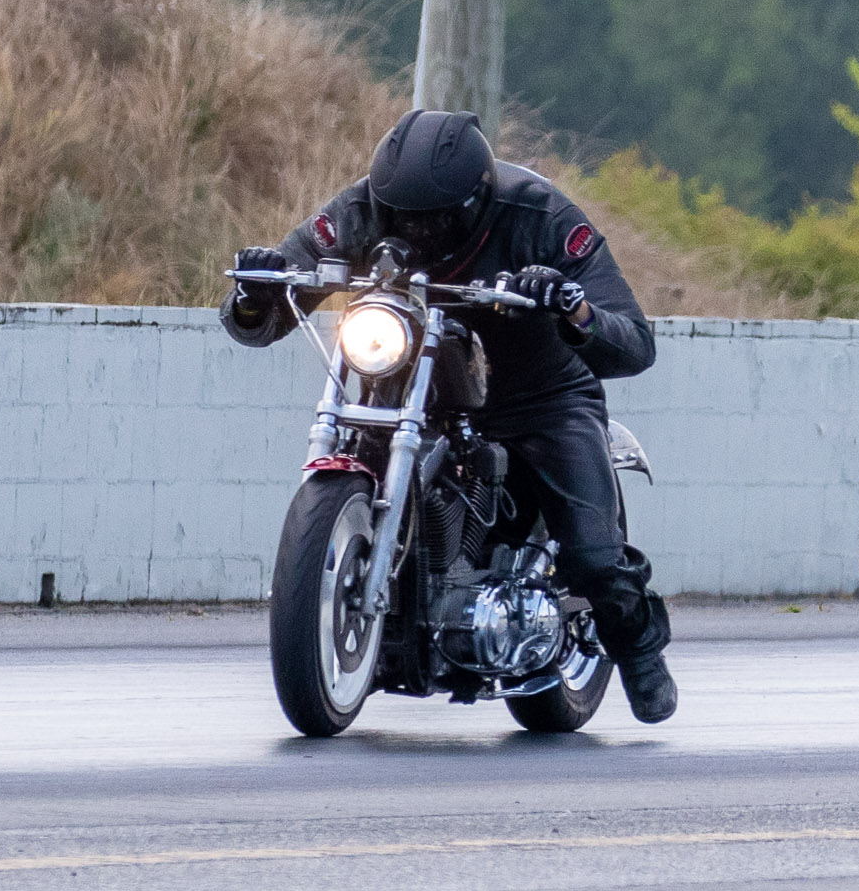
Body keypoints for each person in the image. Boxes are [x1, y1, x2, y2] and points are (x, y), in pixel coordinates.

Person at [220, 108, 677, 724]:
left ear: (477, 201)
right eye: (400, 214)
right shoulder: (359, 210)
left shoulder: (540, 216)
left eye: (433, 217)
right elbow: (269, 309)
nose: (415, 228)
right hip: (410, 389)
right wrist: (257, 292)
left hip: (541, 396)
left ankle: (639, 651)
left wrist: (573, 310)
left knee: (594, 559)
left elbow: (635, 343)